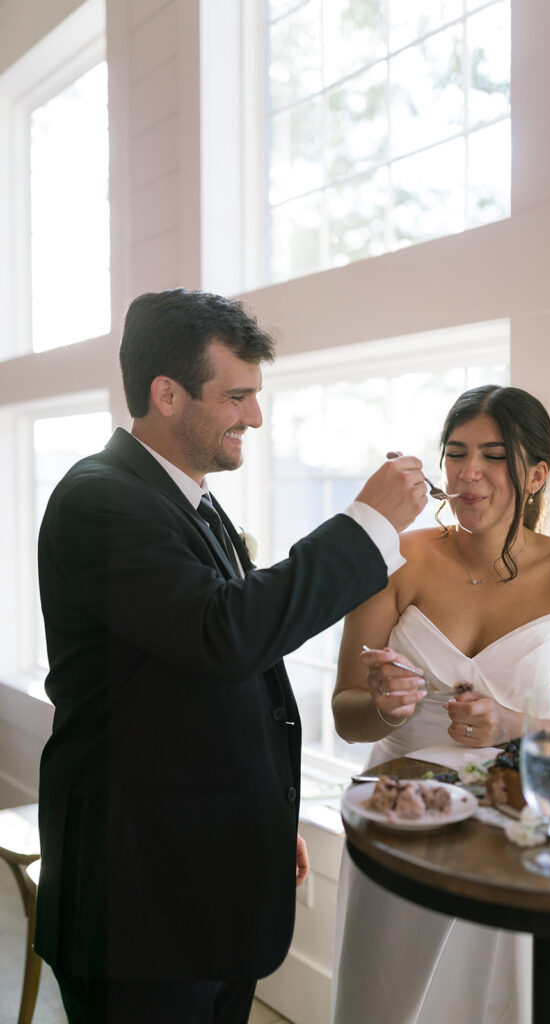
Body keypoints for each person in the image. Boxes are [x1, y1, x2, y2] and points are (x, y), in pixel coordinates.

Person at [35, 287, 428, 1024]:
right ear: (167, 394)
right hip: (139, 905)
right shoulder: (97, 500)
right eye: (237, 395)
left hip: (214, 877)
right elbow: (226, 634)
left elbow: (225, 677)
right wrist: (367, 523)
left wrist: (264, 827)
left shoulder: (195, 502)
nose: (254, 415)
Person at [331, 384, 550, 1024]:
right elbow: (344, 713)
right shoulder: (395, 560)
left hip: (517, 840)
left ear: (537, 472)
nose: (469, 473)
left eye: (494, 456)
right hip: (399, 828)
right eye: (456, 452)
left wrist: (518, 726)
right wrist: (384, 705)